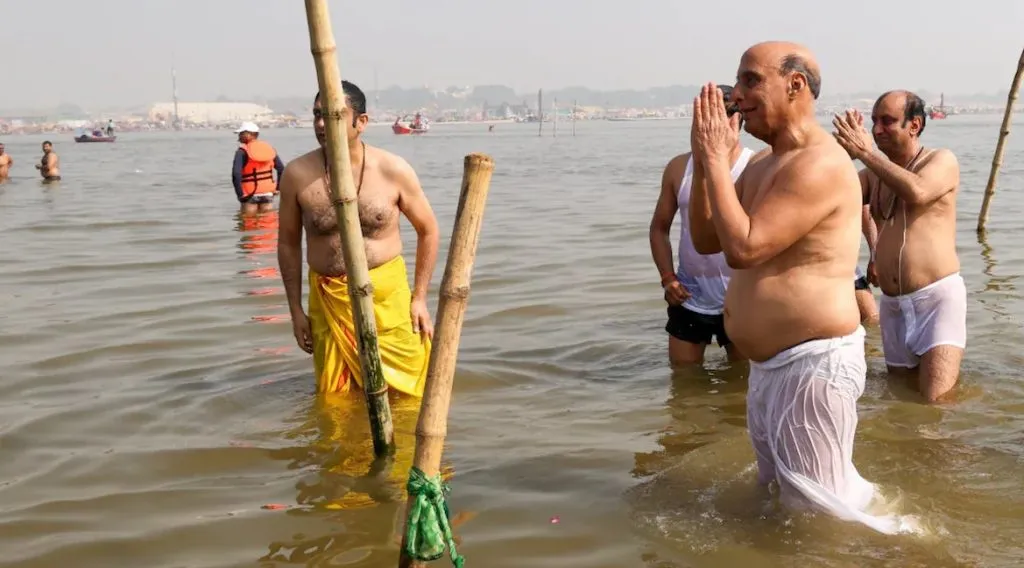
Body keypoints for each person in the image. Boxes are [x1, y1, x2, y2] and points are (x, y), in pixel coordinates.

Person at [689, 42, 899, 533]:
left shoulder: (819, 163)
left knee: (822, 522)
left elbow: (744, 249)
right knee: (786, 501)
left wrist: (719, 162)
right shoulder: (762, 165)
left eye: (749, 81)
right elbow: (706, 238)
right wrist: (705, 160)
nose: (736, 96)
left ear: (795, 85)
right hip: (771, 369)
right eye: (737, 84)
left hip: (813, 366)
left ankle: (913, 552)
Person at [277, 80, 440, 397]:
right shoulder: (297, 174)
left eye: (333, 115)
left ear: (361, 122)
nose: (322, 124)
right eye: (316, 115)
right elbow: (287, 243)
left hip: (387, 303)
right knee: (337, 405)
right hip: (329, 302)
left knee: (408, 398)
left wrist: (420, 297)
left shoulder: (392, 169)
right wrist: (295, 309)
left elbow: (428, 230)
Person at [833, 91, 964, 402]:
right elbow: (831, 196)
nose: (877, 130)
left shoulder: (941, 160)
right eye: (874, 122)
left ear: (914, 125)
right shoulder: (873, 174)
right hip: (892, 306)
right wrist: (841, 153)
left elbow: (917, 192)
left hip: (936, 300)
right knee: (900, 403)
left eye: (887, 121)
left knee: (935, 404)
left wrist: (865, 153)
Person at [649, 84, 754, 366]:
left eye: (723, 115)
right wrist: (668, 278)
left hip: (742, 295)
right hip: (689, 293)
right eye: (704, 118)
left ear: (738, 121)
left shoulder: (755, 166)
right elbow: (659, 228)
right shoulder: (678, 167)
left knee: (741, 387)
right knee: (683, 389)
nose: (712, 126)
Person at [232, 121, 285, 215]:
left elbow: (236, 174)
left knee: (249, 224)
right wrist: (278, 188)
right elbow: (281, 169)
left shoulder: (241, 151)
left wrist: (240, 194)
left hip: (249, 195)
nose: (239, 136)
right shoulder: (269, 149)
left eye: (241, 133)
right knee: (267, 223)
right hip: (267, 193)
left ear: (249, 134)